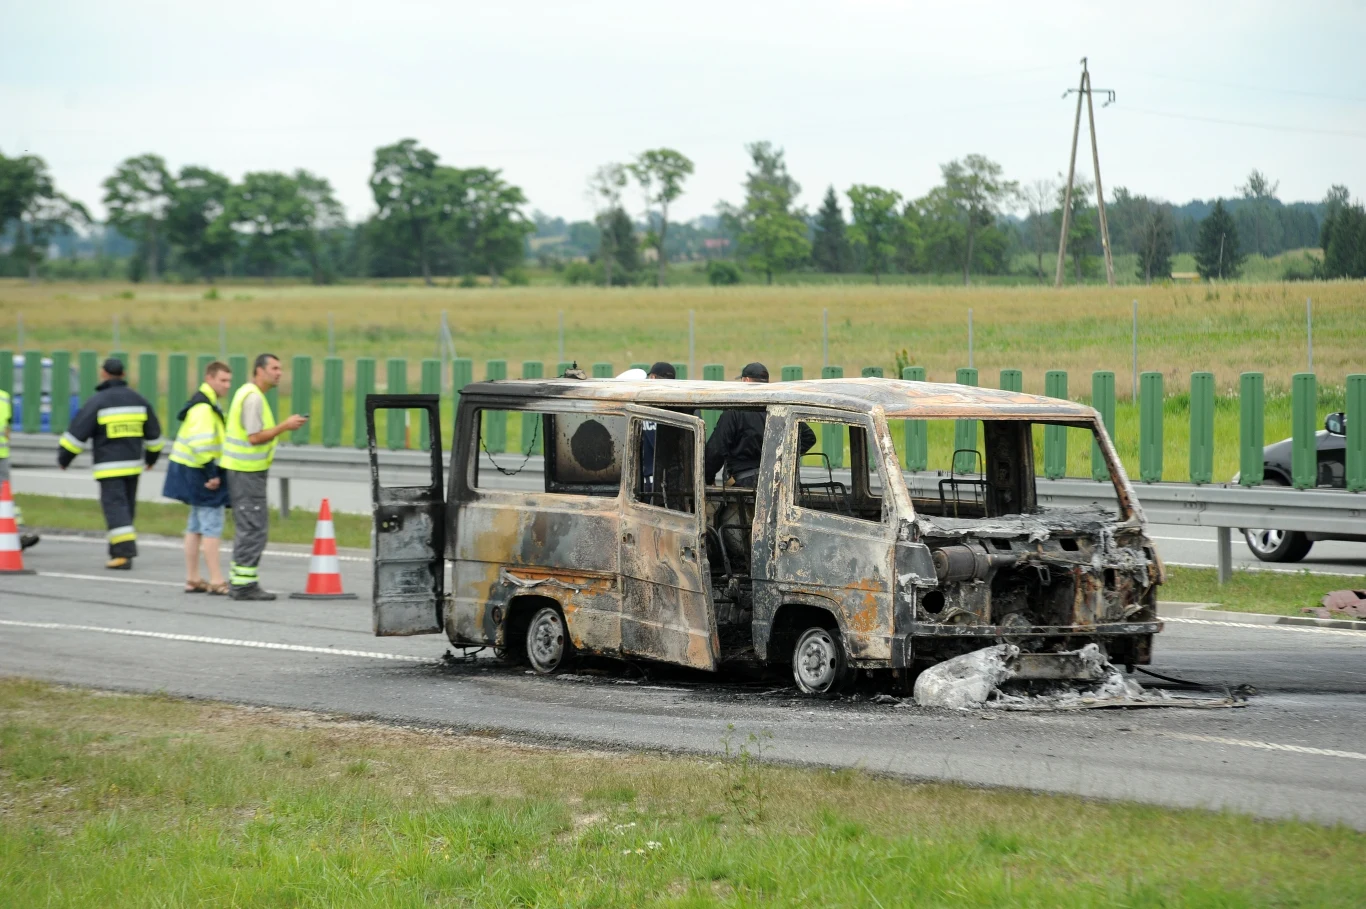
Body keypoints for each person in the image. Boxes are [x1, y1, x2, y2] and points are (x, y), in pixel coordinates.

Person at [56, 358, 163, 569]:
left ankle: (124, 554)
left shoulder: (98, 401)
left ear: (103, 374)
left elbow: (78, 433)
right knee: (126, 509)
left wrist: (64, 458)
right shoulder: (139, 400)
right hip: (133, 466)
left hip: (109, 467)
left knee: (115, 508)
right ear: (123, 375)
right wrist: (151, 459)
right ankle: (118, 551)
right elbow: (154, 436)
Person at [220, 353, 306, 601]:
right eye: (274, 368)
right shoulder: (253, 399)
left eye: (280, 368)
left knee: (248, 526)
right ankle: (243, 585)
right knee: (254, 528)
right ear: (259, 371)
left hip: (245, 471)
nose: (279, 373)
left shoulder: (248, 393)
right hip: (246, 472)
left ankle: (239, 581)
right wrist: (284, 426)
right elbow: (254, 437)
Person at [162, 361, 233, 594]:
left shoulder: (202, 403)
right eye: (222, 380)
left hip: (188, 469)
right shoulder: (204, 408)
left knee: (195, 526)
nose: (227, 385)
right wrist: (211, 474)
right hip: (199, 471)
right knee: (212, 524)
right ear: (209, 378)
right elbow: (201, 444)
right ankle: (216, 579)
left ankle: (193, 577)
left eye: (229, 381)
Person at [704, 362, 815, 487]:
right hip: (777, 482)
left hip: (743, 487)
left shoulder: (734, 412)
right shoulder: (780, 408)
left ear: (746, 380)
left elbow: (716, 449)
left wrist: (708, 478)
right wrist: (780, 457)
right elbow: (808, 437)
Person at [0, 382, 39, 549]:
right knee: (5, 497)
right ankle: (17, 532)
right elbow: (7, 428)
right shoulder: (4, 397)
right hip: (2, 455)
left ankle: (15, 534)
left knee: (4, 498)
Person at [641, 361, 676, 490]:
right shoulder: (688, 407)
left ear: (653, 377)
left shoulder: (642, 407)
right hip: (678, 483)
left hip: (648, 483)